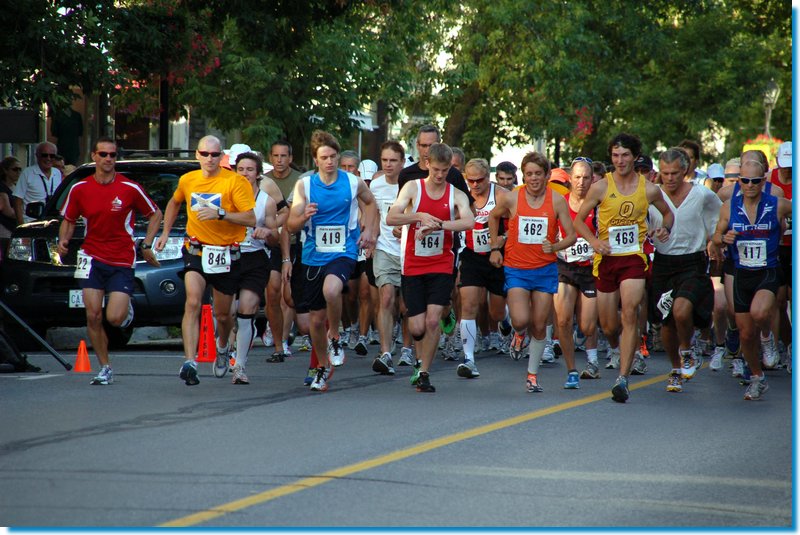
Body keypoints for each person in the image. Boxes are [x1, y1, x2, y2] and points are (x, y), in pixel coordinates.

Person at [572, 133, 673, 403]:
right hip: (606, 259)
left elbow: (668, 213)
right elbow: (579, 221)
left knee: (629, 312)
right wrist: (594, 242)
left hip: (633, 258)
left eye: (625, 155)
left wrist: (665, 228)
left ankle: (623, 378)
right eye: (615, 155)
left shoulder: (648, 189)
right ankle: (617, 347)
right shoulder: (600, 187)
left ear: (635, 157)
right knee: (608, 325)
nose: (620, 160)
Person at [57, 137, 163, 385]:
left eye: (112, 155)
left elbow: (155, 213)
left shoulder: (129, 188)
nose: (108, 159)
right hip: (91, 257)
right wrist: (63, 241)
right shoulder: (80, 188)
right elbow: (69, 219)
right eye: (103, 154)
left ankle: (125, 310)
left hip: (121, 258)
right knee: (93, 316)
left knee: (114, 318)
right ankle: (105, 367)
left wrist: (147, 243)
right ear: (94, 156)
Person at [156, 135, 256, 386]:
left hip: (226, 253)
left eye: (214, 154)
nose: (209, 159)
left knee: (223, 316)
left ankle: (222, 347)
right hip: (196, 250)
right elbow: (174, 202)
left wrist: (220, 213)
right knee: (192, 301)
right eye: (205, 154)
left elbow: (251, 218)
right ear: (197, 155)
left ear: (221, 156)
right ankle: (190, 361)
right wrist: (165, 233)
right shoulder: (188, 179)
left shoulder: (235, 181)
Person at [286, 130, 378, 392]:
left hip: (343, 250)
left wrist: (370, 232)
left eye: (333, 156)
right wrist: (303, 216)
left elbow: (371, 204)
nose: (330, 161)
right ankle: (322, 366)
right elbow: (291, 225)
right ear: (316, 160)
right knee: (315, 321)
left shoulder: (352, 182)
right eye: (324, 157)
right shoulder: (305, 185)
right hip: (313, 254)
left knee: (331, 290)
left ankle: (335, 335)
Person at [386, 142, 473, 393]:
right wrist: (418, 216)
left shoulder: (455, 193)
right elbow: (391, 217)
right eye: (436, 170)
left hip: (441, 263)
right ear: (427, 164)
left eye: (445, 170)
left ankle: (424, 372)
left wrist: (440, 225)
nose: (440, 175)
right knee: (417, 327)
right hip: (413, 264)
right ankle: (422, 354)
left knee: (432, 322)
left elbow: (468, 221)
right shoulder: (413, 188)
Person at [488, 151, 576, 393]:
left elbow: (571, 236)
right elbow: (493, 217)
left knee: (539, 324)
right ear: (523, 175)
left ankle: (532, 375)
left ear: (547, 175)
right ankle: (518, 334)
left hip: (544, 269)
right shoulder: (512, 198)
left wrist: (555, 246)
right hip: (516, 268)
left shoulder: (557, 200)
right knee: (520, 320)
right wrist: (495, 247)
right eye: (529, 174)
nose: (534, 178)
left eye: (538, 173)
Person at [712, 150, 791, 400]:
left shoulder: (777, 203)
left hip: (767, 270)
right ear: (739, 181)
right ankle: (757, 377)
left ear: (763, 181)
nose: (749, 185)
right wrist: (723, 238)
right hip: (741, 273)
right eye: (744, 180)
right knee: (745, 333)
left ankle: (767, 337)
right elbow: (715, 237)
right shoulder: (729, 207)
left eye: (755, 181)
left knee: (759, 312)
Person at [647, 148, 721, 392]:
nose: (669, 178)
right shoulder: (652, 194)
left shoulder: (702, 194)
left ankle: (688, 350)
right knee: (666, 323)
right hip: (663, 263)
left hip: (692, 262)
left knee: (681, 310)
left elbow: (720, 218)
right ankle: (675, 368)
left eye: (675, 173)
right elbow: (638, 222)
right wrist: (649, 232)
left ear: (685, 170)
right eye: (665, 173)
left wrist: (716, 241)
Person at [456, 158, 509, 379]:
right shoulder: (462, 196)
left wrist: (503, 238)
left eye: (479, 180)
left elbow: (517, 221)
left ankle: (505, 319)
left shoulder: (502, 195)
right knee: (469, 304)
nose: (475, 185)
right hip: (471, 255)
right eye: (471, 180)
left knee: (496, 312)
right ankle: (469, 359)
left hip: (497, 256)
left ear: (488, 177)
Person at [229, 151, 279, 384]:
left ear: (258, 174)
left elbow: (275, 237)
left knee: (246, 311)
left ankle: (239, 366)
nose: (245, 173)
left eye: (250, 170)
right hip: (227, 257)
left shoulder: (266, 201)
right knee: (226, 313)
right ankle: (223, 348)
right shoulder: (226, 196)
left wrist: (266, 232)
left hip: (255, 258)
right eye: (241, 169)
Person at [554, 158, 600, 386]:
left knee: (588, 326)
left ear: (592, 180)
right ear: (570, 179)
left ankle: (592, 360)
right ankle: (571, 370)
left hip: (591, 269)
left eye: (586, 178)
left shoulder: (598, 205)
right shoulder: (559, 203)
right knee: (563, 320)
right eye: (577, 177)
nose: (581, 182)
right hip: (565, 266)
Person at [370, 141, 413, 375]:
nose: (388, 165)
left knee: (406, 305)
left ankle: (406, 348)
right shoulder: (375, 186)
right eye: (384, 160)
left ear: (402, 162)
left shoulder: (412, 185)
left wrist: (405, 227)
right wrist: (369, 236)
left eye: (393, 160)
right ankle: (385, 352)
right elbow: (371, 214)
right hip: (384, 248)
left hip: (409, 250)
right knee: (386, 298)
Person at [261, 141, 301, 358]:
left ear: (290, 158)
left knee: (288, 295)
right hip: (272, 242)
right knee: (272, 291)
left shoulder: (300, 180)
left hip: (295, 243)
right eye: (275, 156)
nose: (279, 160)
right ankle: (273, 324)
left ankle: (284, 339)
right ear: (271, 157)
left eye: (283, 156)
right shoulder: (264, 180)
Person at [769, 141, 792, 372]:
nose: (787, 170)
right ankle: (780, 346)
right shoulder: (768, 180)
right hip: (776, 247)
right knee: (778, 300)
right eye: (784, 165)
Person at [13, 141, 63, 224]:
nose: (48, 158)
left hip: (51, 223)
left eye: (52, 156)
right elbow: (17, 200)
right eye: (44, 155)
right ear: (37, 156)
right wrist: (21, 224)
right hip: (31, 223)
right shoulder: (27, 173)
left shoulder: (57, 173)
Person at [0, 157, 22, 241]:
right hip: (4, 229)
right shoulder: (2, 187)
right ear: (5, 170)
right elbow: (8, 211)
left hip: (14, 228)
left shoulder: (16, 186)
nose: (18, 172)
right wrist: (22, 212)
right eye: (15, 169)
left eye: (20, 169)